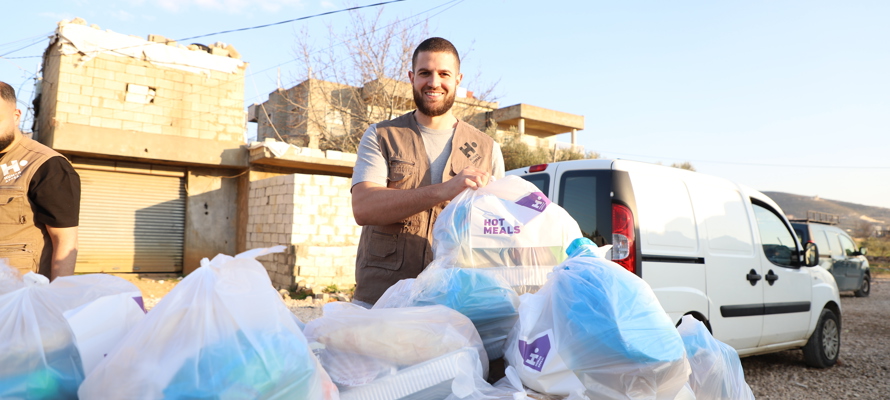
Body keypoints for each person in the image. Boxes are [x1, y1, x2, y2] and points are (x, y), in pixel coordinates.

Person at [350, 37, 505, 306]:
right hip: (380, 301)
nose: (434, 82)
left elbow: (498, 232)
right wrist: (444, 190)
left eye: (444, 74)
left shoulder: (487, 149)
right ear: (412, 77)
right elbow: (364, 207)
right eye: (425, 73)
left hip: (455, 303)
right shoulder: (381, 135)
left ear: (458, 79)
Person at [0, 81, 80, 281]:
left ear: (16, 116)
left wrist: (56, 297)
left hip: (20, 296)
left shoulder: (47, 165)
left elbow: (65, 240)